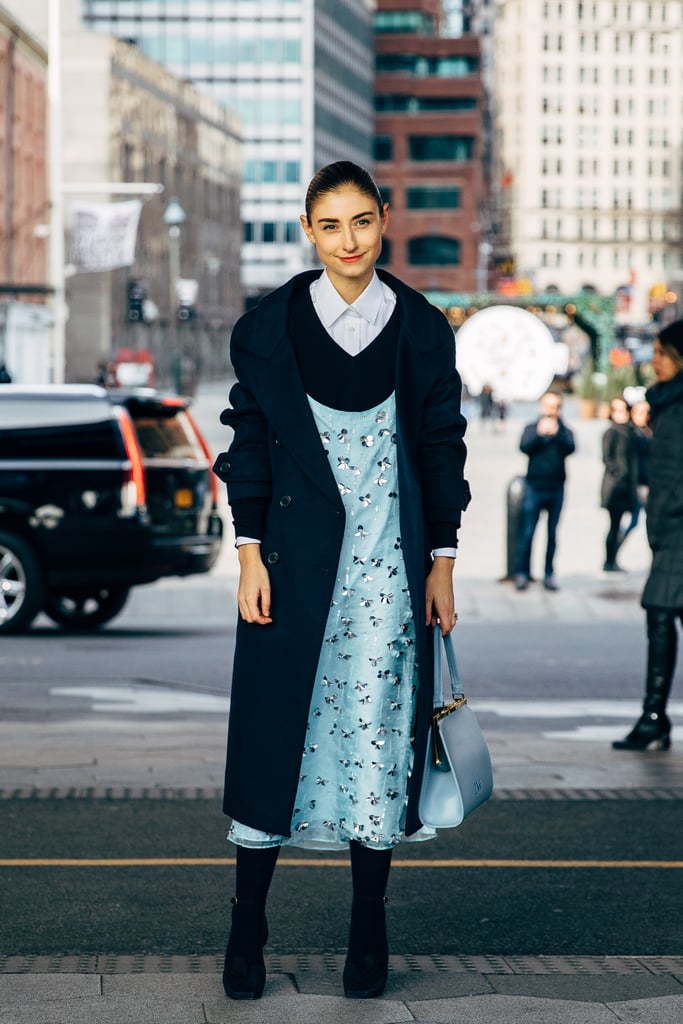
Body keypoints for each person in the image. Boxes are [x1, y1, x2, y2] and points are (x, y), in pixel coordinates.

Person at [213, 161, 470, 1000]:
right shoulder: (268, 328)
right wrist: (249, 553)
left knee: (377, 743)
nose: (349, 241)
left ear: (386, 218)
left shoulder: (422, 328)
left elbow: (440, 448)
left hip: (388, 577)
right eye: (331, 225)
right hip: (289, 570)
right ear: (306, 230)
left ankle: (370, 928)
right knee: (270, 741)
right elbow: (247, 443)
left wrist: (442, 561)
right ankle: (246, 923)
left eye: (362, 221)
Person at [613, 321, 683, 751]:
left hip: (677, 525)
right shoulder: (667, 402)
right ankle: (653, 716)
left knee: (659, 613)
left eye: (660, 352)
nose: (652, 360)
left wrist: (670, 507)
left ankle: (653, 716)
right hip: (669, 528)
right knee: (659, 616)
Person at [514, 391, 575, 591]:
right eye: (549, 405)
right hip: (534, 487)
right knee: (528, 532)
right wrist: (540, 435)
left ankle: (549, 574)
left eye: (556, 406)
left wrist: (556, 433)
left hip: (556, 488)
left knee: (552, 534)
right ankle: (522, 573)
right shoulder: (532, 427)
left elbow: (571, 447)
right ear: (541, 407)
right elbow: (524, 446)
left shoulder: (564, 430)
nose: (552, 410)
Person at [600, 396, 638, 572]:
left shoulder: (631, 432)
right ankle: (609, 560)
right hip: (615, 487)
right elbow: (607, 458)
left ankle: (613, 559)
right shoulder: (612, 432)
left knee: (624, 523)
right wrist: (620, 474)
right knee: (614, 525)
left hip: (628, 487)